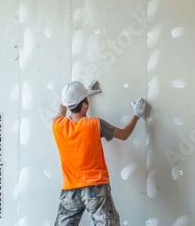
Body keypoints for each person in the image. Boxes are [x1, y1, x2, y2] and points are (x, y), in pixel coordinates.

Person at [52, 80, 146, 226]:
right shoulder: (95, 124)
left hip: (70, 190)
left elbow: (62, 108)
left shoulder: (57, 125)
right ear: (84, 105)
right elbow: (124, 134)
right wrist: (137, 114)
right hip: (95, 188)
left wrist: (81, 95)